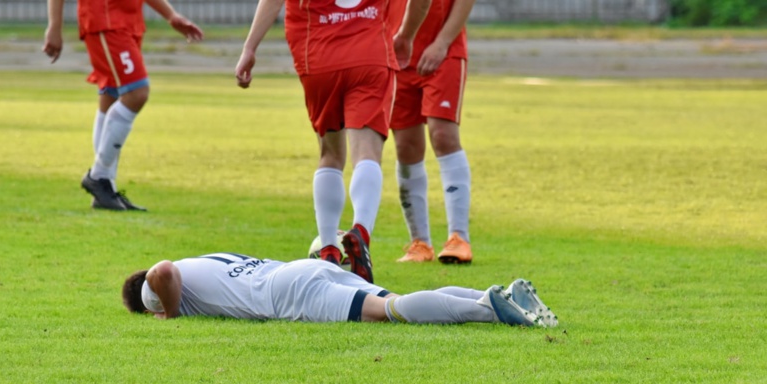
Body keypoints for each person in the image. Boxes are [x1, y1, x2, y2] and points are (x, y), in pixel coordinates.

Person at [235, 0, 431, 284]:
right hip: (370, 53)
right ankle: (360, 233)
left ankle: (328, 249)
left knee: (330, 155)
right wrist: (406, 36)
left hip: (318, 56)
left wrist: (249, 48)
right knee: (366, 153)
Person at [43, 0, 204, 211]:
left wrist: (171, 15)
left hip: (128, 21)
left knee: (110, 95)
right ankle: (98, 176)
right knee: (137, 93)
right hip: (105, 19)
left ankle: (106, 188)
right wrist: (54, 25)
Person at [122, 252, 559, 327]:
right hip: (301, 269)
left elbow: (160, 272)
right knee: (389, 301)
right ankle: (493, 293)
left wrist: (169, 315)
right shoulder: (204, 259)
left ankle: (490, 309)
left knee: (390, 312)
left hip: (285, 293)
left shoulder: (153, 287)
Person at [388, 0, 476, 264]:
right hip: (396, 53)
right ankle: (420, 244)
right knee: (405, 145)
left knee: (443, 135)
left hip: (443, 50)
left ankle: (459, 238)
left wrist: (442, 42)